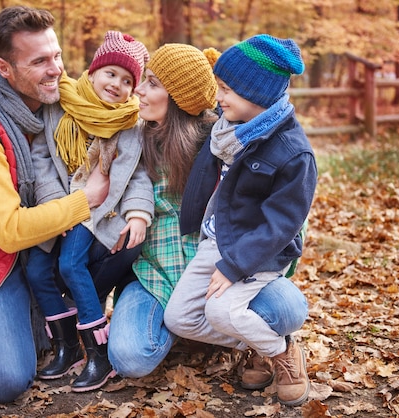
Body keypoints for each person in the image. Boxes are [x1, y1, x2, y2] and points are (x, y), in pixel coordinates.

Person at [0, 6, 132, 404]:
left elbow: (123, 124)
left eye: (56, 55)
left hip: (44, 250)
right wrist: (85, 200)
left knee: (122, 241)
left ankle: (91, 333)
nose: (56, 69)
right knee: (6, 381)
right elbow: (8, 232)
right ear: (4, 68)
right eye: (39, 61)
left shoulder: (66, 104)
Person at [107, 43, 310, 386]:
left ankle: (267, 347)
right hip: (157, 273)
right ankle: (223, 334)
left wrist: (237, 266)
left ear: (178, 98)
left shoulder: (223, 141)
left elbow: (284, 220)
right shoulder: (133, 142)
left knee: (287, 310)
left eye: (152, 83)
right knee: (132, 356)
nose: (138, 90)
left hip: (226, 262)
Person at [163, 34, 317, 407]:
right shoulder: (226, 131)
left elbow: (280, 225)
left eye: (228, 89)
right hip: (217, 241)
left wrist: (234, 265)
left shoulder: (294, 154)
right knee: (180, 318)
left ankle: (281, 352)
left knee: (218, 310)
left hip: (258, 253)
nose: (220, 97)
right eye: (219, 87)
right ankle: (258, 342)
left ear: (259, 95)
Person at [26, 30, 153, 392]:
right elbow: (42, 162)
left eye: (128, 80)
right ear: (94, 71)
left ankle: (97, 355)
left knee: (70, 264)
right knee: (37, 268)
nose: (117, 85)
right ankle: (66, 346)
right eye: (111, 73)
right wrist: (55, 206)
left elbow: (137, 176)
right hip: (59, 206)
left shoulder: (130, 125)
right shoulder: (60, 107)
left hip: (97, 212)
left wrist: (139, 213)